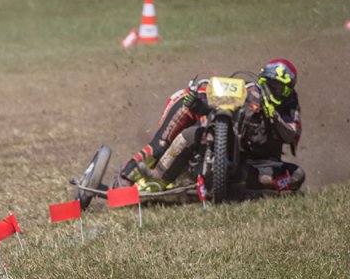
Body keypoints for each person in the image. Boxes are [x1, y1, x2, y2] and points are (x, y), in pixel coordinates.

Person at [116, 59, 304, 195]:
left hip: (255, 164)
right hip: (218, 144)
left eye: (283, 89)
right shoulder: (248, 91)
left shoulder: (290, 104)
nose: (277, 92)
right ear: (262, 82)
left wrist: (275, 116)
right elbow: (211, 105)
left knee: (297, 176)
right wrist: (196, 102)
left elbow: (290, 135)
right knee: (163, 145)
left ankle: (242, 187)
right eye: (272, 86)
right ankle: (133, 176)